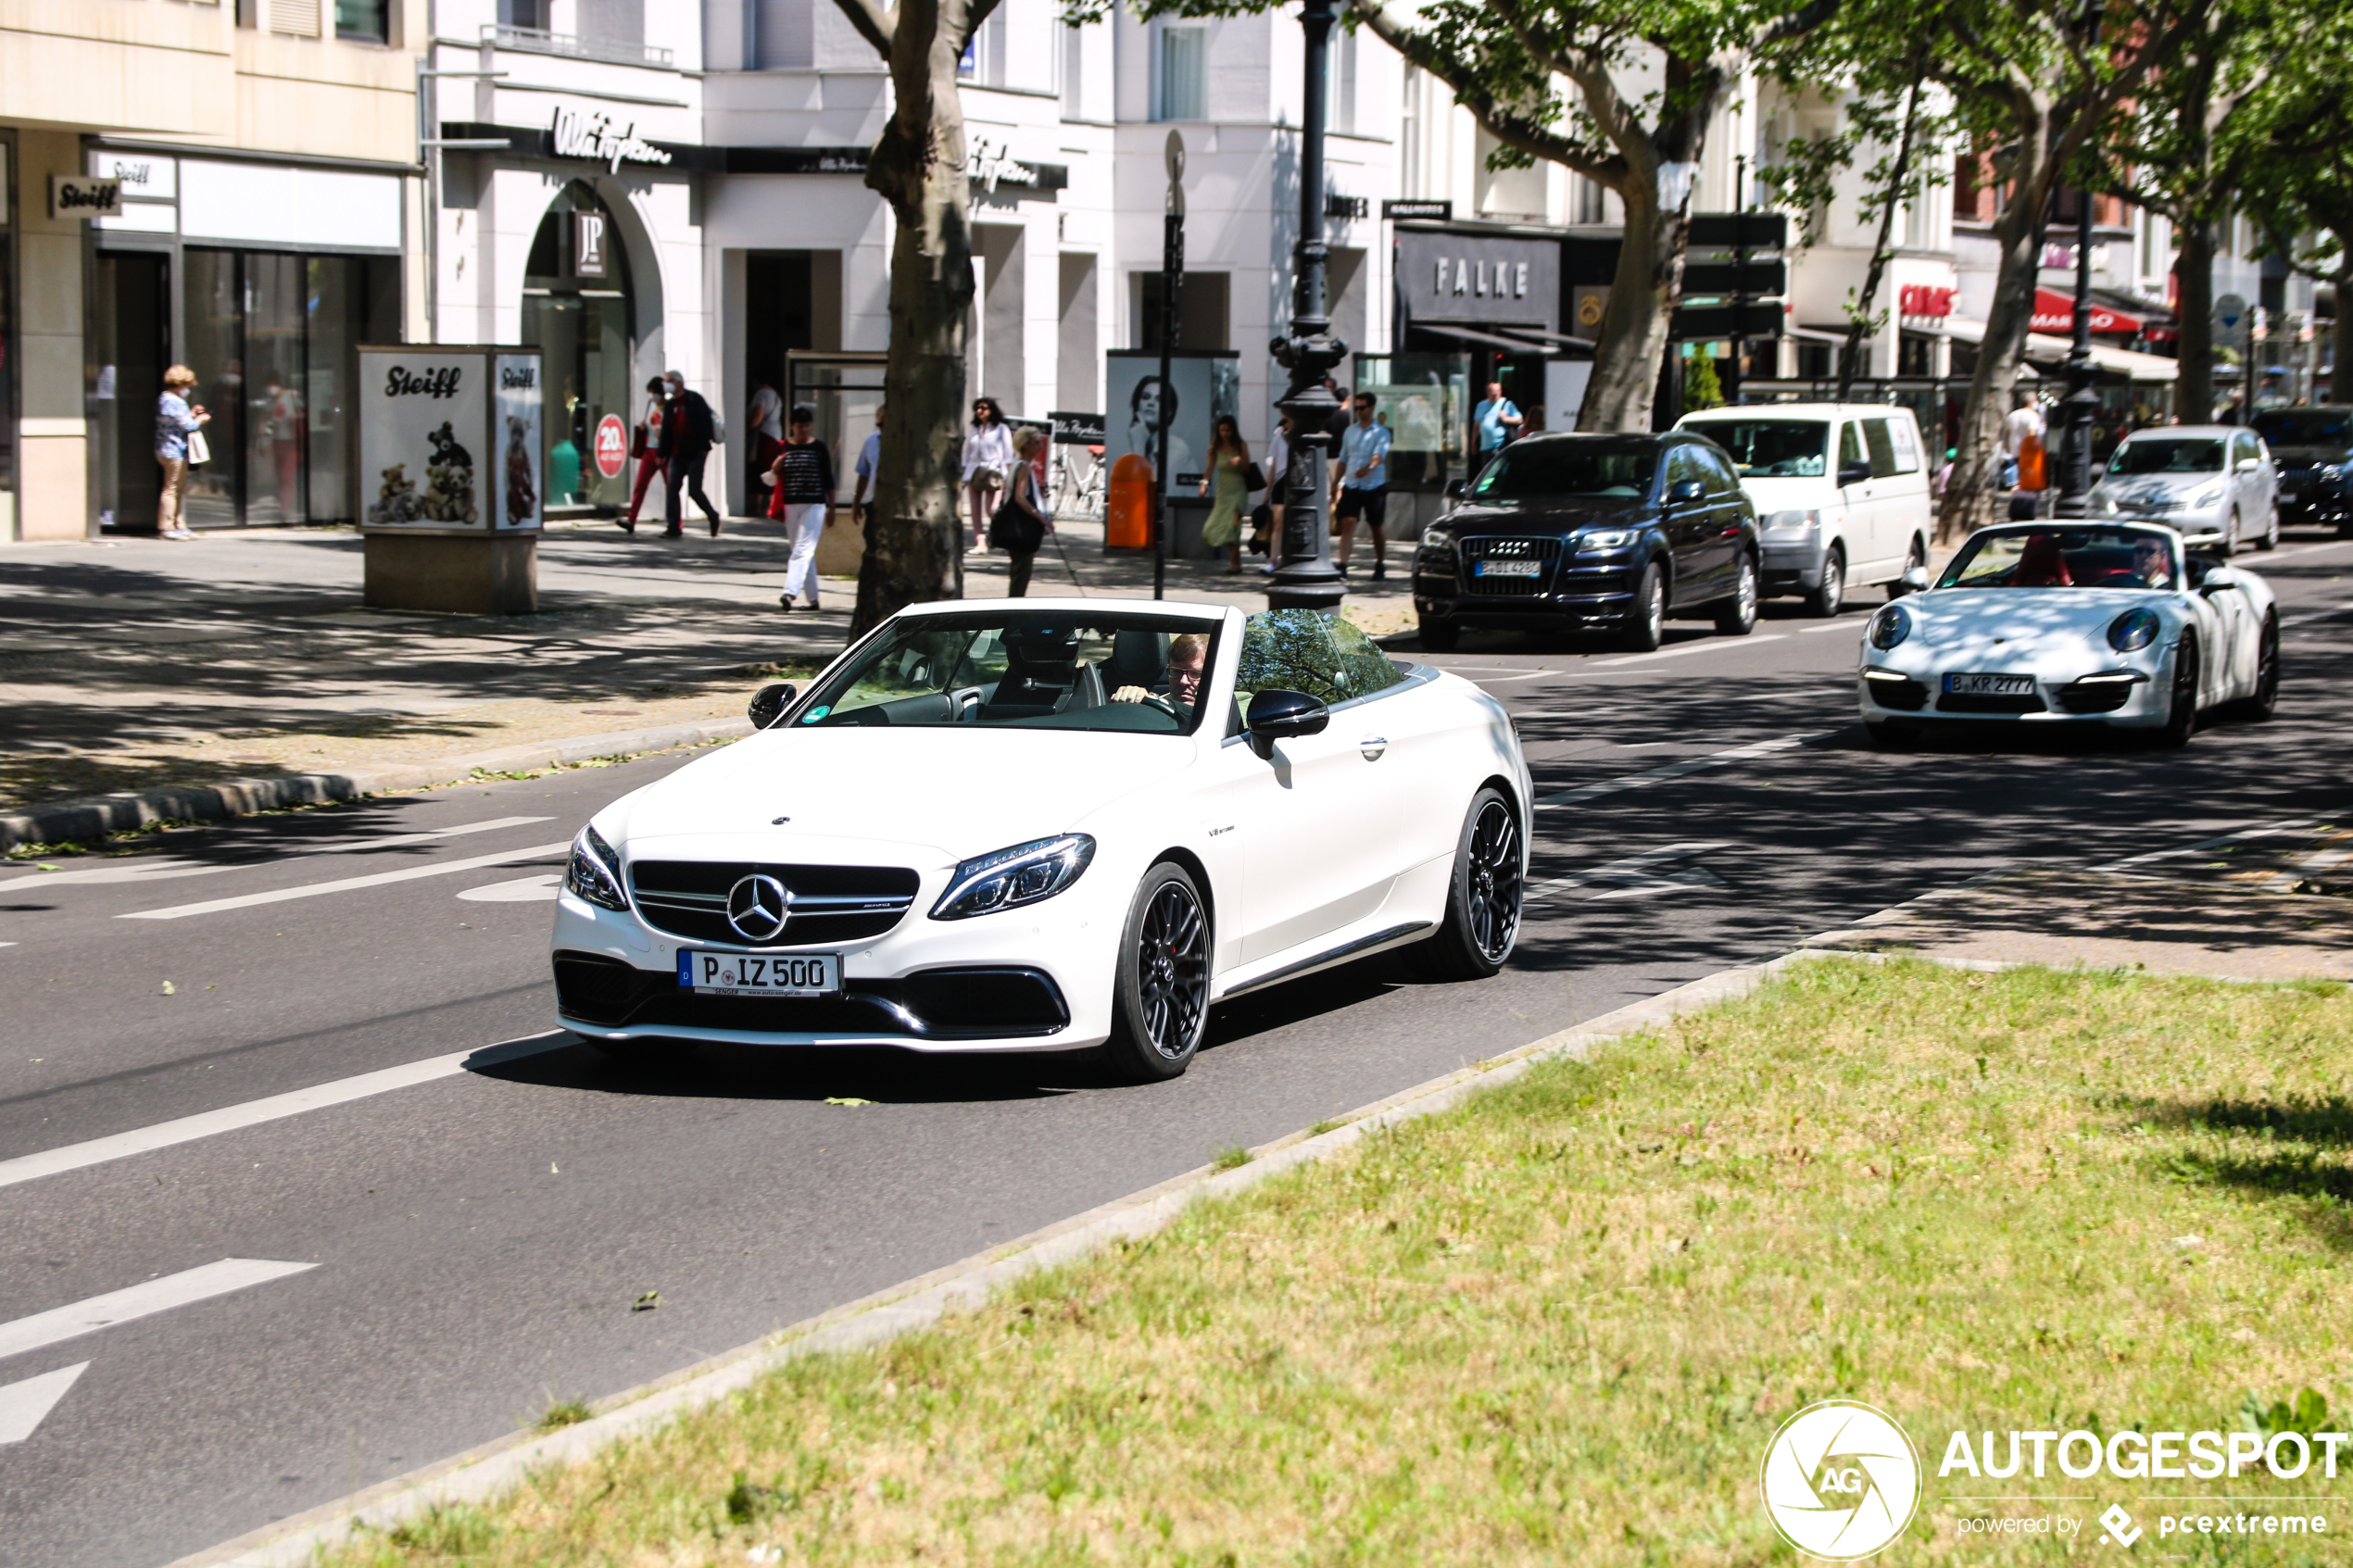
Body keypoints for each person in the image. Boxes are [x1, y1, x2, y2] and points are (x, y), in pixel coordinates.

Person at [767, 403, 835, 611]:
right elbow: (774, 475)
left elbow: (828, 478)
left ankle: (789, 593)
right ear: (791, 426)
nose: (803, 430)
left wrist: (832, 506)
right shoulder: (784, 447)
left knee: (802, 550)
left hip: (814, 503)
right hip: (791, 503)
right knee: (801, 551)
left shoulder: (818, 447)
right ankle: (813, 600)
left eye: (806, 425)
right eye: (799, 426)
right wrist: (777, 465)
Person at [1333, 392, 1392, 578]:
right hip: (1352, 485)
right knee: (1348, 522)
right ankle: (1343, 564)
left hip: (1374, 486)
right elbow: (1343, 459)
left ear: (1372, 408)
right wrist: (1336, 482)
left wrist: (1367, 468)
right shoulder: (1350, 431)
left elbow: (1378, 457)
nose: (1359, 411)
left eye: (1362, 407)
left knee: (1376, 526)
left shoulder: (1381, 432)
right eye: (1357, 407)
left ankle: (1380, 563)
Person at [989, 426, 1051, 596]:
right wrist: (1041, 518)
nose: (1040, 446)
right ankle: (1014, 608)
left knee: (1018, 570)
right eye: (1036, 442)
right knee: (1021, 573)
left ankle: (1014, 604)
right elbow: (1020, 497)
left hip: (1014, 527)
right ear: (1026, 445)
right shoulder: (1024, 467)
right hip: (1022, 529)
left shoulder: (1016, 466)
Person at [661, 370, 722, 538]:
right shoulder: (670, 404)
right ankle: (673, 526)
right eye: (665, 381)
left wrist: (703, 448)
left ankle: (712, 515)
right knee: (672, 488)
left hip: (695, 452)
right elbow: (666, 430)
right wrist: (662, 452)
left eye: (670, 380)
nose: (666, 384)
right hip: (676, 453)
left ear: (679, 382)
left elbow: (705, 423)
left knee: (694, 491)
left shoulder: (694, 399)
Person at [155, 365, 209, 540]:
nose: (188, 389)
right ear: (181, 383)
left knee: (177, 489)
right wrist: (200, 419)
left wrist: (191, 414)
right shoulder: (175, 401)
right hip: (174, 450)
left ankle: (179, 524)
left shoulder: (165, 399)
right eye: (188, 385)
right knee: (172, 489)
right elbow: (188, 426)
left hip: (166, 449)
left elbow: (179, 421)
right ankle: (167, 527)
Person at [1199, 414, 1251, 575]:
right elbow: (1210, 468)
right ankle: (1236, 561)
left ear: (1233, 430)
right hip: (1223, 492)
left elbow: (1248, 468)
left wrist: (1238, 461)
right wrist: (1204, 484)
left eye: (1228, 430)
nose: (1225, 433)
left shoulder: (1240, 445)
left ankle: (1234, 563)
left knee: (1234, 524)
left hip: (1239, 490)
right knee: (1223, 527)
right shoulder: (1216, 447)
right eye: (1222, 430)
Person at [1123, 377, 1194, 494]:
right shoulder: (1144, 448)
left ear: (1169, 412)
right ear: (1137, 406)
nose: (1150, 403)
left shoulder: (1178, 450)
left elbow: (1145, 499)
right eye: (1145, 397)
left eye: (1159, 399)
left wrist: (1138, 446)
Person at [963, 395, 1016, 550]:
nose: (980, 411)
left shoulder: (1001, 429)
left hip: (994, 472)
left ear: (991, 410)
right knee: (975, 511)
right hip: (974, 471)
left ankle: (1006, 536)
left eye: (983, 408)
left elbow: (1008, 453)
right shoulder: (975, 428)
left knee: (992, 509)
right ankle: (980, 542)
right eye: (977, 408)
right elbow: (968, 451)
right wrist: (964, 471)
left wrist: (1007, 476)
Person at [619, 376, 667, 534]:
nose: (652, 395)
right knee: (640, 485)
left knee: (671, 488)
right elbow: (649, 423)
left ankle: (676, 523)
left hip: (664, 451)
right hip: (649, 449)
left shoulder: (669, 407)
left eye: (653, 392)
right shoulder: (651, 405)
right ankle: (631, 520)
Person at [1112, 631, 1208, 709]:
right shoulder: (1151, 706)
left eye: (1195, 673)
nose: (1183, 681)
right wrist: (1137, 699)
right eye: (1176, 671)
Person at [747, 376, 784, 511]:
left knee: (762, 467)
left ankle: (762, 503)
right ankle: (771, 502)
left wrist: (746, 429)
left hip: (765, 434)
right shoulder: (776, 395)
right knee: (770, 467)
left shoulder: (761, 394)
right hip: (776, 434)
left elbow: (757, 417)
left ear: (756, 381)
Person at [1473, 380, 1522, 472]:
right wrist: (1473, 442)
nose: (1495, 394)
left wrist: (1505, 418)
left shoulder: (1507, 404)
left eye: (1498, 391)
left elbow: (1520, 419)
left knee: (1498, 473)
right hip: (1485, 447)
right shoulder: (1481, 405)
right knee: (1486, 474)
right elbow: (1476, 425)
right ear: (1488, 392)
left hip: (1500, 446)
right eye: (1493, 392)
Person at [849, 403, 885, 528]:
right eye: (879, 424)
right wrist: (856, 503)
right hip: (875, 503)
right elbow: (864, 473)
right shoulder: (871, 441)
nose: (882, 428)